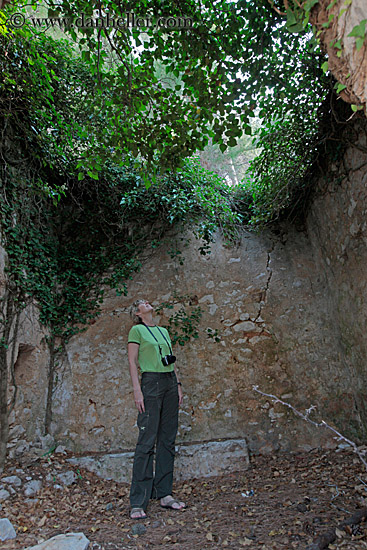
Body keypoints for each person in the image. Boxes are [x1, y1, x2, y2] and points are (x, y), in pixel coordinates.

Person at [127, 299, 185, 519]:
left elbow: (172, 361)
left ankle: (165, 494)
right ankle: (138, 501)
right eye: (143, 303)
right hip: (150, 382)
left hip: (169, 381)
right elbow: (132, 362)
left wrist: (178, 384)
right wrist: (137, 390)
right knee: (147, 439)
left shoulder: (162, 330)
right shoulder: (136, 330)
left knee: (167, 438)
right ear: (138, 312)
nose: (148, 303)